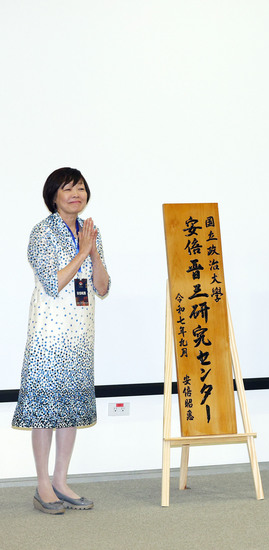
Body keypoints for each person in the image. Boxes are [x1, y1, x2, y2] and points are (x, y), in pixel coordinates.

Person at [12, 168, 111, 513]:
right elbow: (53, 282)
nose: (76, 193)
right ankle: (42, 486)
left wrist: (93, 252)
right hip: (49, 335)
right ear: (53, 195)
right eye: (68, 188)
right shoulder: (41, 233)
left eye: (80, 188)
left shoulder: (90, 233)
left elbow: (102, 287)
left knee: (69, 409)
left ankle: (61, 480)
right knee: (45, 411)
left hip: (80, 335)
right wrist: (82, 253)